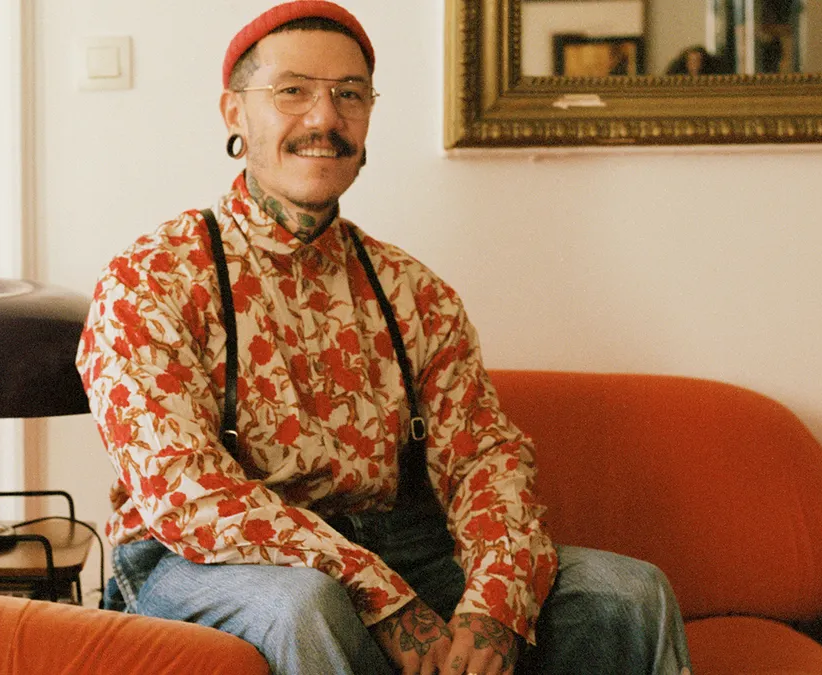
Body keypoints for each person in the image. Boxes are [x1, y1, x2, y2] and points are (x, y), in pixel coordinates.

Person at [77, 2, 693, 674]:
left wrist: (494, 602)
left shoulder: (414, 293)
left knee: (630, 593)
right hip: (204, 563)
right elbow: (183, 491)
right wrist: (379, 595)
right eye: (292, 92)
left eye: (349, 94)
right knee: (306, 606)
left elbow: (485, 459)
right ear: (234, 113)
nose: (323, 118)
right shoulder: (152, 279)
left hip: (401, 550)